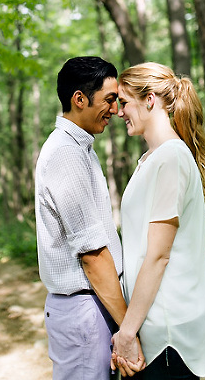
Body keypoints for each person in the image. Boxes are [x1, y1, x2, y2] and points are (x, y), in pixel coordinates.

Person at [35, 56, 145, 379]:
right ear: (79, 99)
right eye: (109, 100)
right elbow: (93, 256)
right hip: (85, 311)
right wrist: (128, 330)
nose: (115, 109)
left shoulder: (82, 148)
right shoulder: (66, 155)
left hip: (97, 306)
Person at [111, 62, 205, 379]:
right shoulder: (151, 159)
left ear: (150, 100)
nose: (119, 112)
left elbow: (158, 255)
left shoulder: (171, 157)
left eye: (124, 102)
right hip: (151, 322)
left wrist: (127, 332)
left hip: (168, 331)